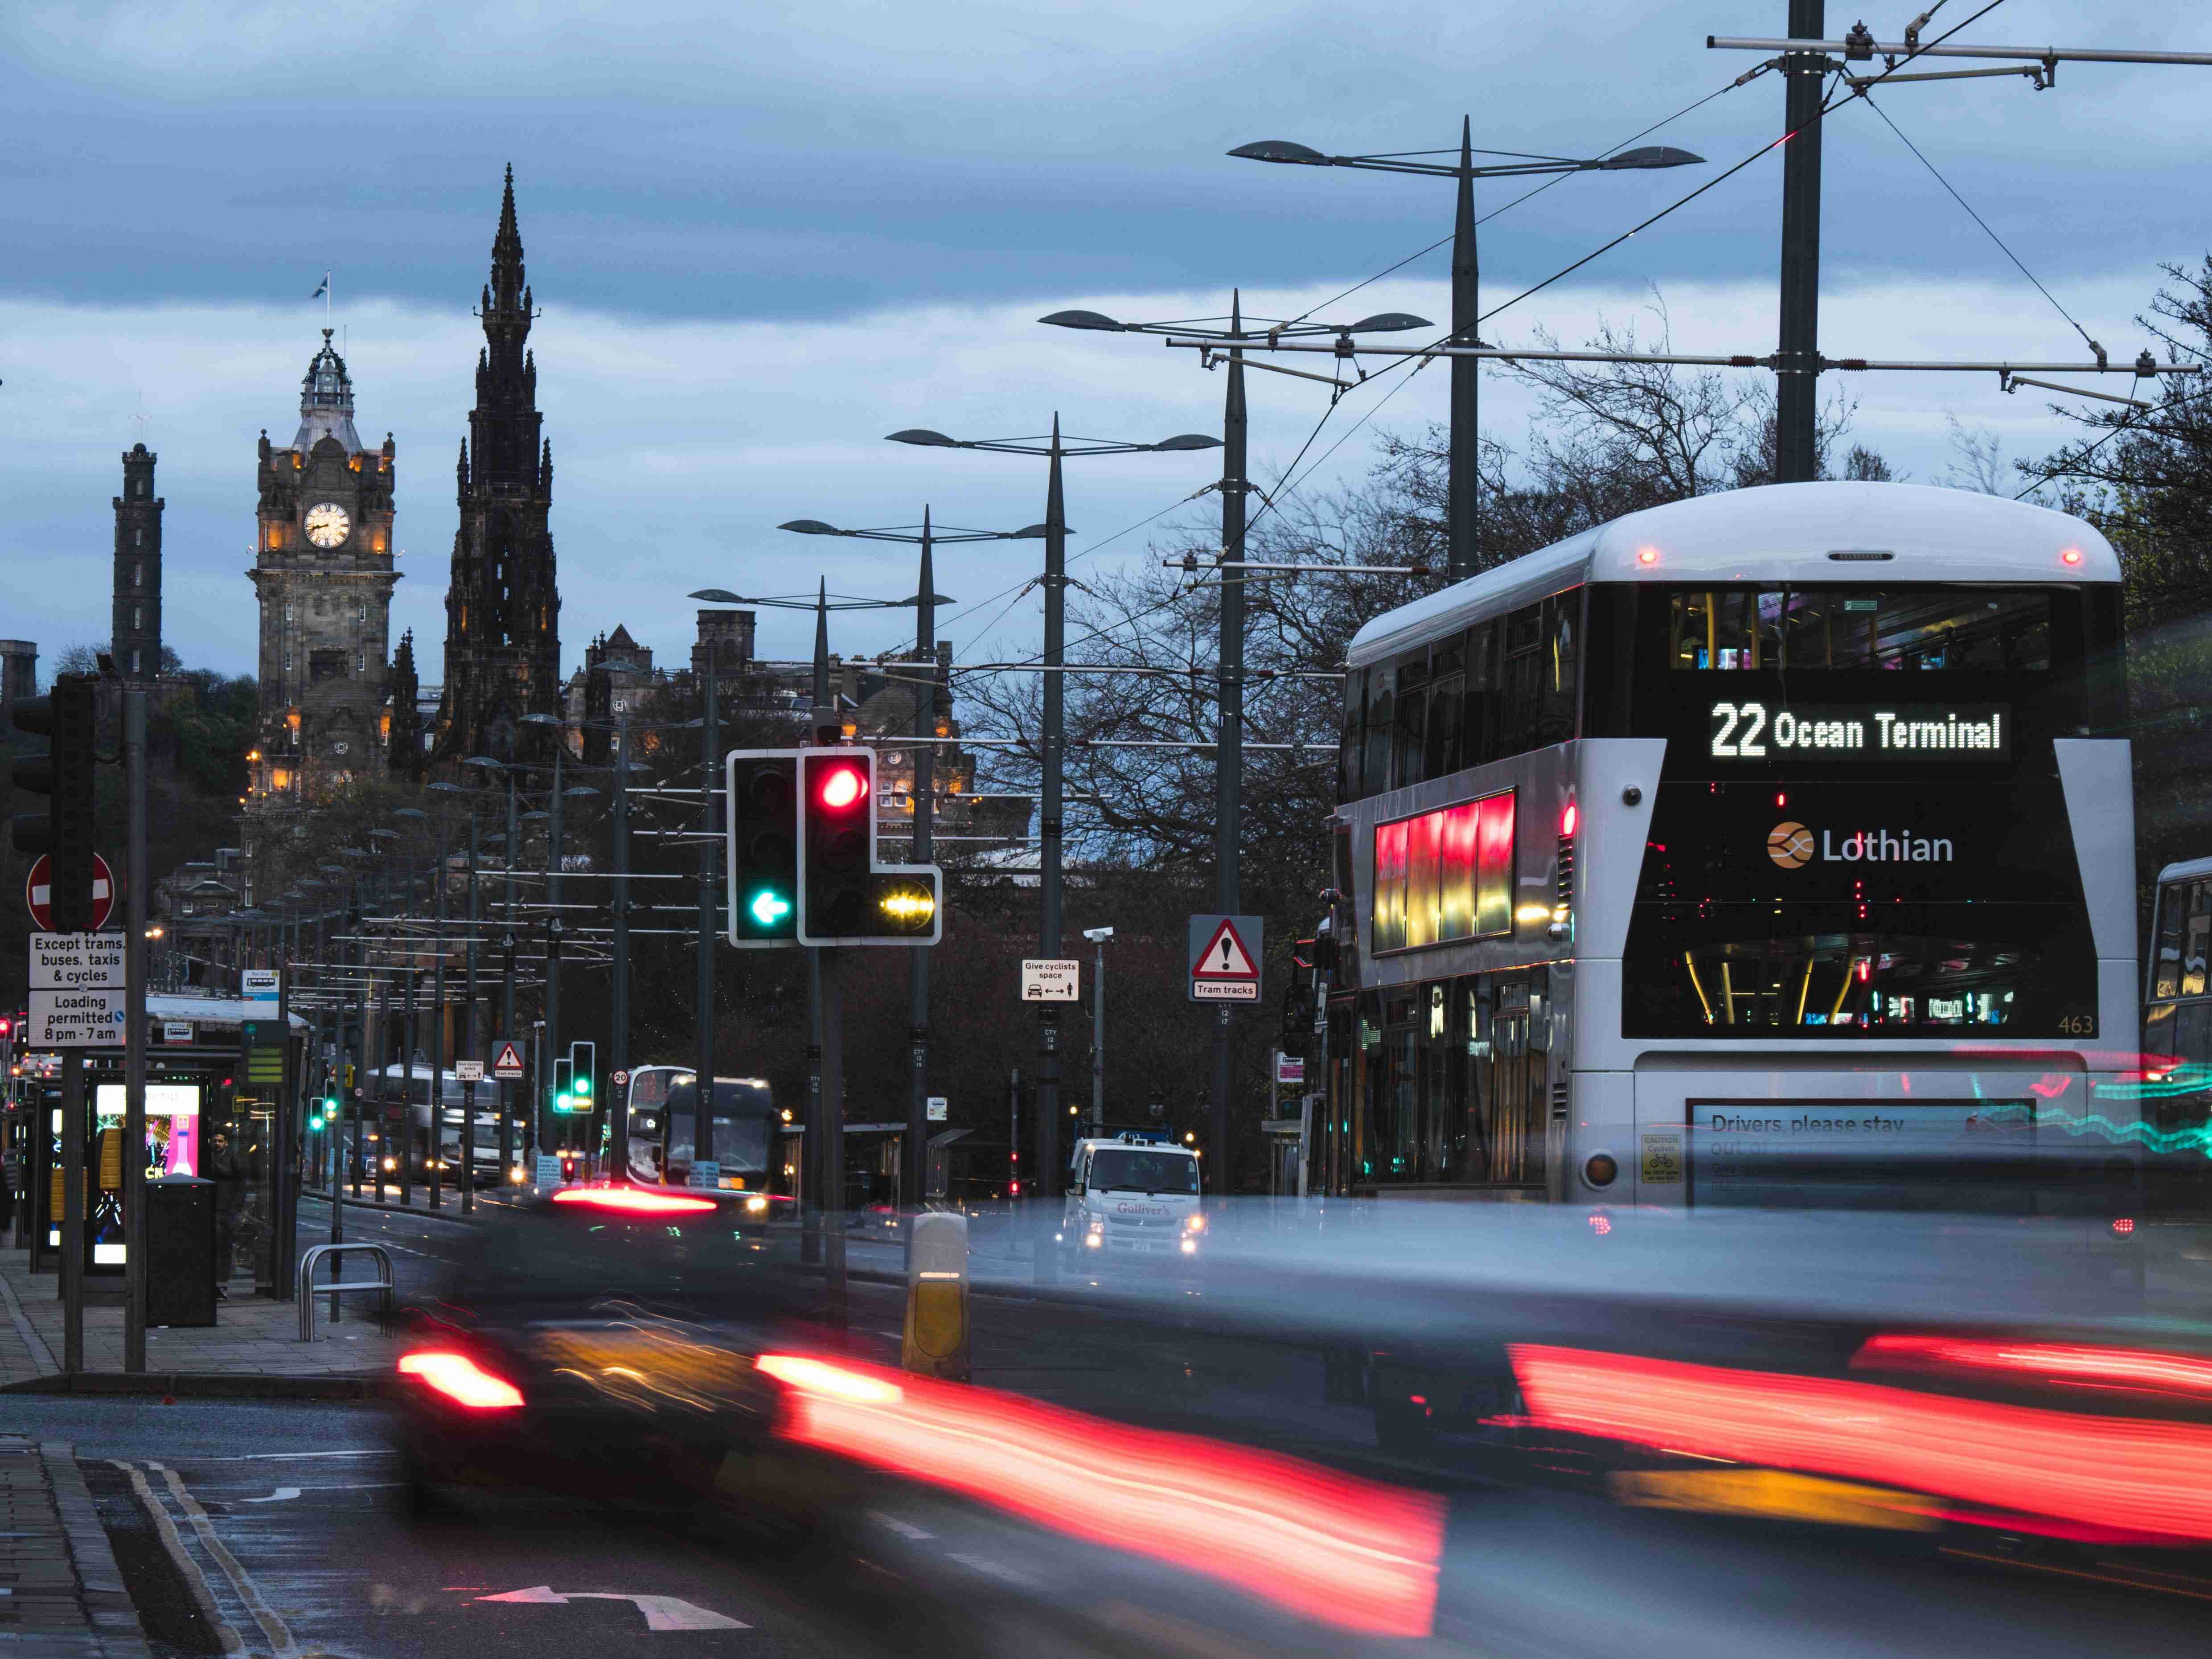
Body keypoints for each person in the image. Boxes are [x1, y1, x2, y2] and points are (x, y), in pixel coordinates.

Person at [206, 1129, 245, 1300]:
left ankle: (222, 1286)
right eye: (215, 1141)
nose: (217, 1144)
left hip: (227, 1210)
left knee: (225, 1249)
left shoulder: (232, 1159)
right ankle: (215, 1285)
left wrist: (237, 1207)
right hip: (213, 1209)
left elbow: (241, 1184)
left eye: (220, 1141)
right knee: (214, 1249)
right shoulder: (208, 1158)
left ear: (226, 1143)